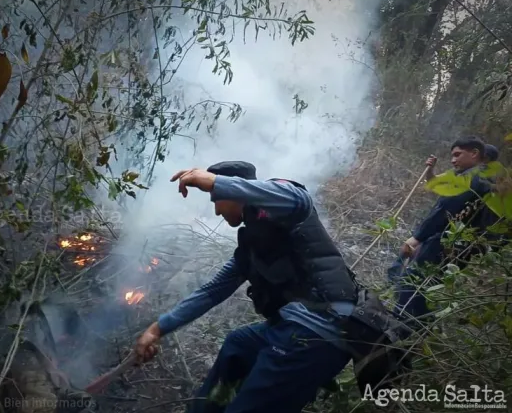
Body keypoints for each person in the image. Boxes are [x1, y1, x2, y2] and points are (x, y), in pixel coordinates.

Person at [134, 162, 407, 413]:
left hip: (319, 331)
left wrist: (215, 181)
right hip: (291, 327)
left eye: (217, 199)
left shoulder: (285, 204)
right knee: (237, 345)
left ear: (239, 191)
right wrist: (158, 328)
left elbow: (298, 197)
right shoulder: (252, 245)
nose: (216, 209)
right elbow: (212, 291)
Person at [390, 137, 498, 323]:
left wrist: (417, 238)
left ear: (475, 154)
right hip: (457, 245)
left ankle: (399, 331)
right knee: (423, 289)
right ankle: (414, 331)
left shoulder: (474, 178)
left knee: (413, 286)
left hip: (446, 243)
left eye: (458, 155)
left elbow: (446, 211)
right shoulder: (476, 177)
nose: (453, 160)